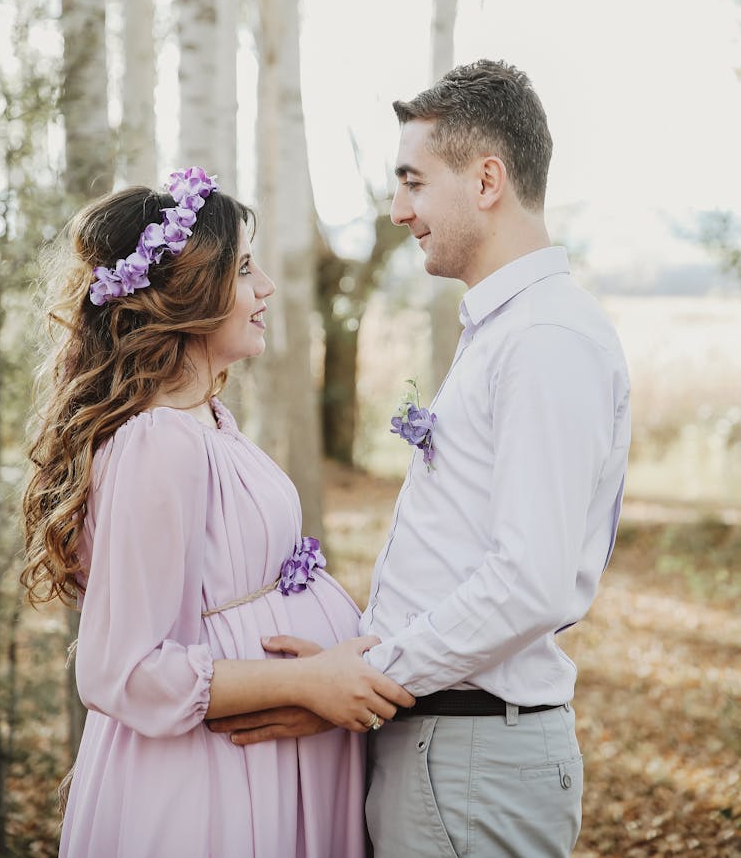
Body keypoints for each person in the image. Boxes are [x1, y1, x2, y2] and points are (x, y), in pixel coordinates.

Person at [217, 60, 631, 858]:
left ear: (486, 180)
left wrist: (364, 683)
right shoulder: (507, 333)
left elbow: (529, 579)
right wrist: (352, 666)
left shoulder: (545, 341)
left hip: (471, 763)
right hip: (445, 749)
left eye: (413, 180)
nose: (399, 209)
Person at [20, 167, 413, 858]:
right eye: (245, 270)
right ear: (189, 293)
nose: (264, 290)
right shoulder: (156, 442)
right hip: (212, 785)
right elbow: (121, 670)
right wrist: (305, 681)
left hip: (259, 764)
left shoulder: (206, 420)